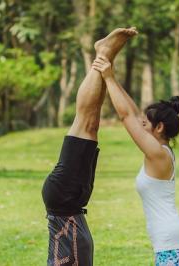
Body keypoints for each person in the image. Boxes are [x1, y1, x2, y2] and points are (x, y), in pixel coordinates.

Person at [41, 27, 138, 266]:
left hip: (65, 196)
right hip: (68, 198)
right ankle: (105, 56)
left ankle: (103, 54)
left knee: (84, 123)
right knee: (90, 124)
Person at [92, 55, 179, 265]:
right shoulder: (160, 150)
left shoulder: (157, 154)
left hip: (172, 244)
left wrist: (109, 78)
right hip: (171, 242)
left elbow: (126, 117)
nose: (141, 125)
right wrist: (112, 78)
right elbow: (132, 112)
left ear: (159, 127)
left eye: (145, 123)